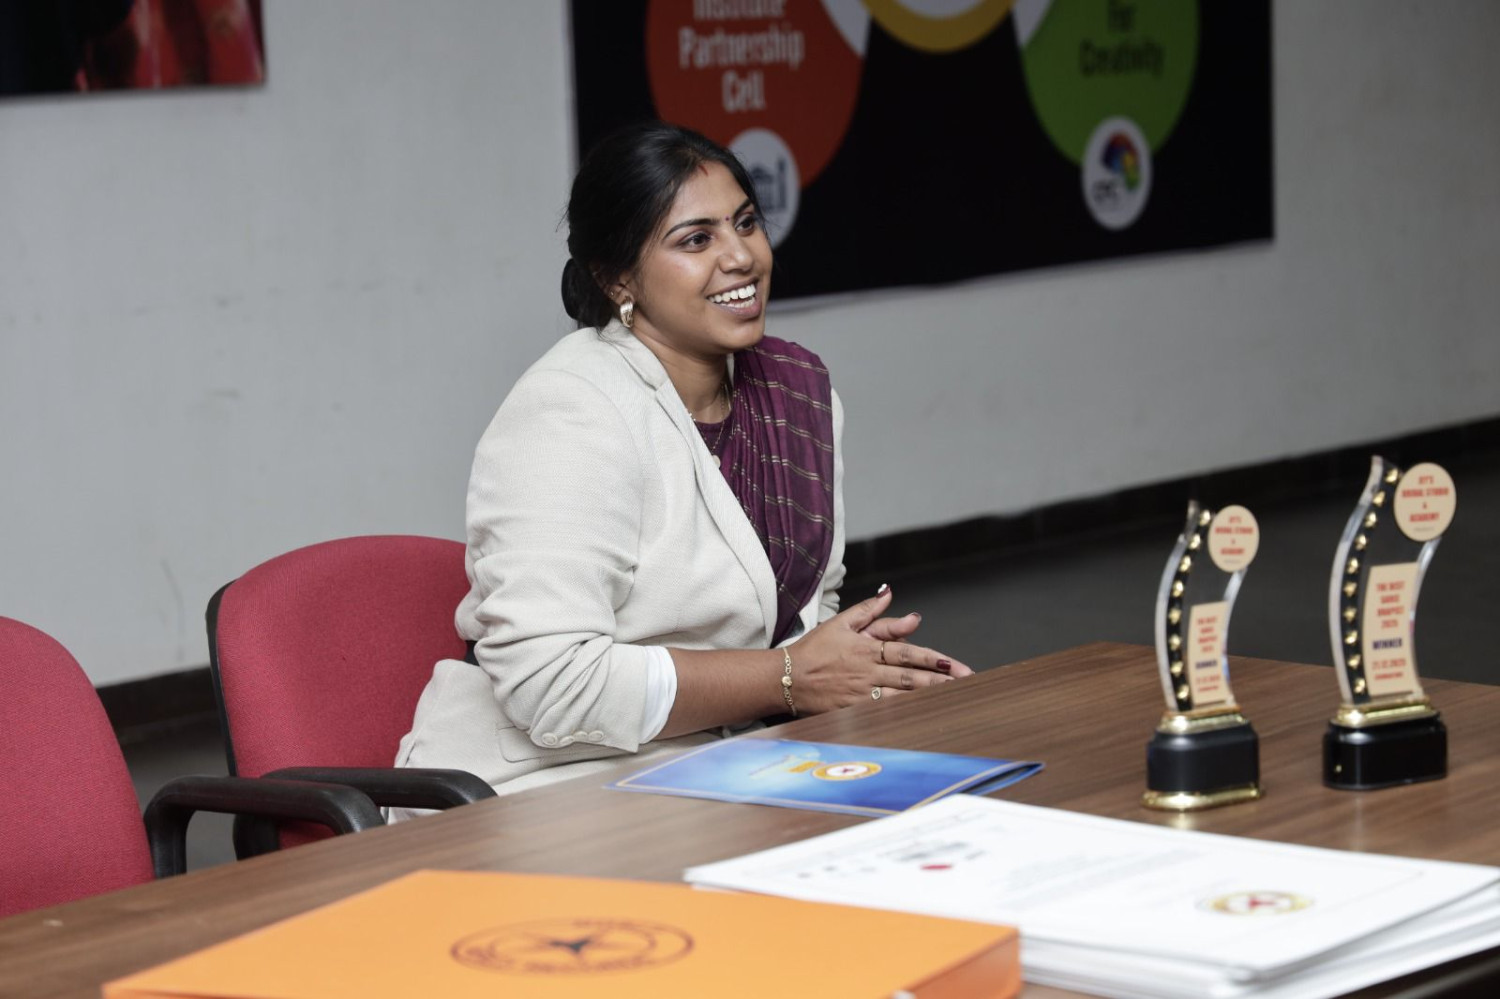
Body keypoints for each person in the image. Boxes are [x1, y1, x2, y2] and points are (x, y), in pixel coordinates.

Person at [392, 121, 972, 801]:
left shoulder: (797, 392)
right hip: (535, 785)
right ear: (616, 277)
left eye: (746, 223)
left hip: (722, 764)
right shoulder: (569, 410)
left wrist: (867, 670)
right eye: (696, 240)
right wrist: (790, 676)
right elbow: (551, 684)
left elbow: (804, 622)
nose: (741, 256)